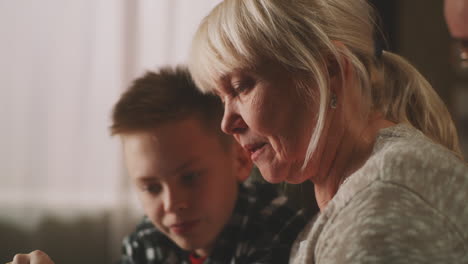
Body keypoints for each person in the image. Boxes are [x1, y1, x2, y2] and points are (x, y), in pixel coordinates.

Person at [187, 0, 468, 263]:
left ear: (329, 69)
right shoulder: (371, 189)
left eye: (240, 87)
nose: (227, 122)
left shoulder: (383, 204)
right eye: (220, 97)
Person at [8, 67, 309, 264]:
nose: (172, 203)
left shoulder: (280, 232)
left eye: (190, 177)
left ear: (240, 160)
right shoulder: (146, 242)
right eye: (151, 187)